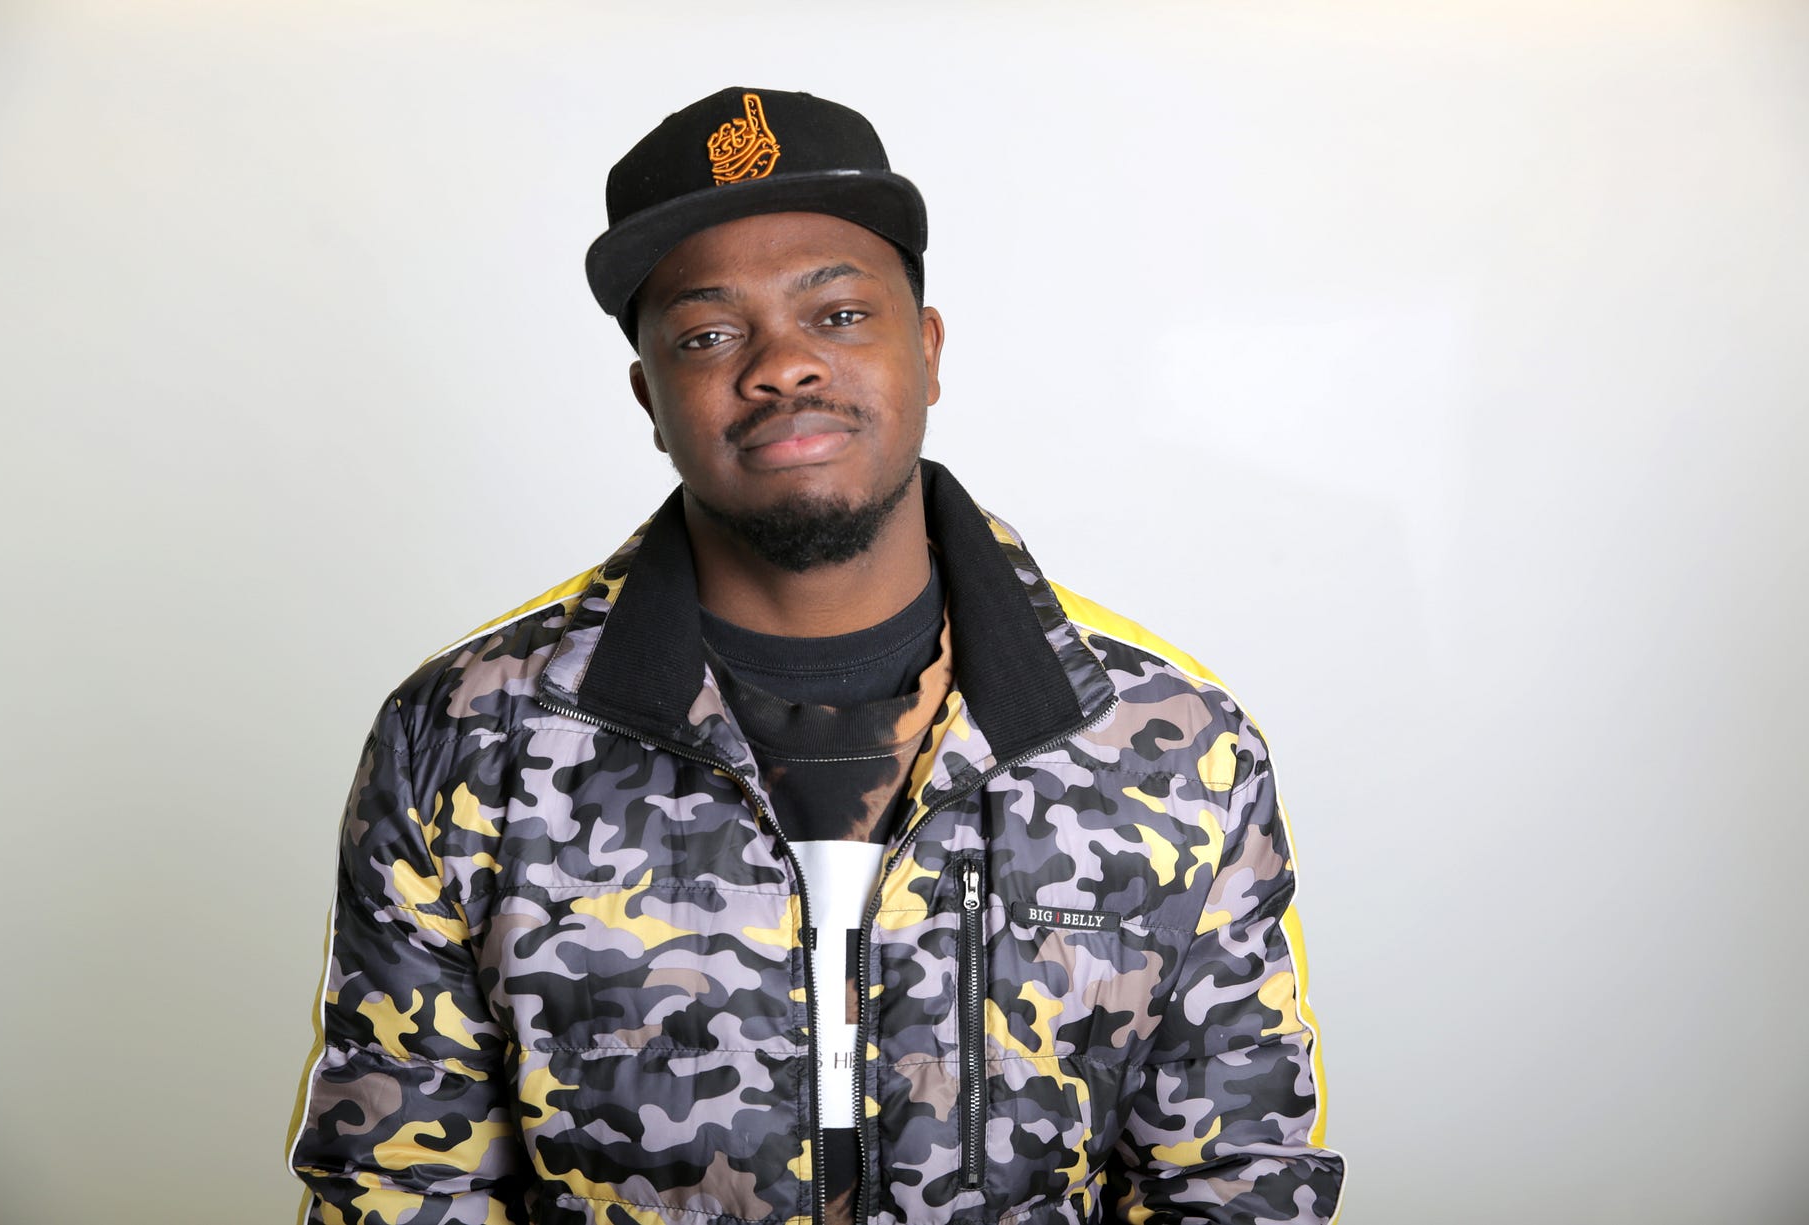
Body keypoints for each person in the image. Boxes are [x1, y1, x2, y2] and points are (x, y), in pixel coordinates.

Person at [288, 86, 1345, 1225]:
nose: (782, 365)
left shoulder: (1168, 744)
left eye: (837, 314)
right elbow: (403, 1185)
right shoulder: (466, 739)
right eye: (708, 334)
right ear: (650, 395)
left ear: (926, 351)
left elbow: (1237, 1182)